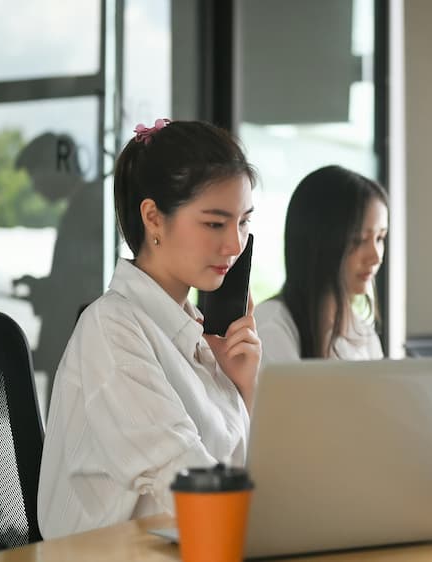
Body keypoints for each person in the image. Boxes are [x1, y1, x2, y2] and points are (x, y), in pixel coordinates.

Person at [38, 119, 262, 538]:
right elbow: (186, 480)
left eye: (244, 222)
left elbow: (244, 481)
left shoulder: (200, 337)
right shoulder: (111, 329)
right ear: (154, 218)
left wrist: (245, 389)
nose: (235, 244)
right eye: (215, 223)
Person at [256, 165, 432, 465]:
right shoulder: (271, 328)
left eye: (380, 238)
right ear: (318, 242)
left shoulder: (360, 331)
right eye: (359, 240)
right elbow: (314, 444)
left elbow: (383, 433)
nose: (375, 255)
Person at [12, 133, 104, 411]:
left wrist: (46, 291)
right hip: (73, 347)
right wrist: (42, 287)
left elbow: (85, 284)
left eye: (34, 173)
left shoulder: (89, 206)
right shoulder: (85, 204)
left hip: (77, 348)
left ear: (56, 167)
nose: (34, 184)